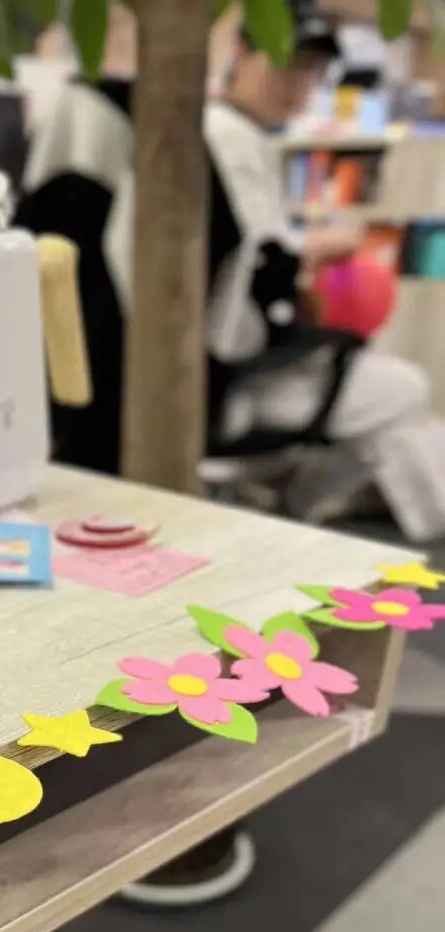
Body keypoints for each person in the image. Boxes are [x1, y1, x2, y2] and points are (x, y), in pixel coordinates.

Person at [207, 4, 445, 540]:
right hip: (239, 377)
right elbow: (257, 263)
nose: (297, 85)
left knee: (402, 402)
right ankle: (341, 511)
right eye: (286, 64)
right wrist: (313, 248)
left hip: (256, 359)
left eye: (311, 72)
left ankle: (319, 506)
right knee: (405, 391)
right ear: (241, 54)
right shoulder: (226, 137)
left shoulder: (247, 136)